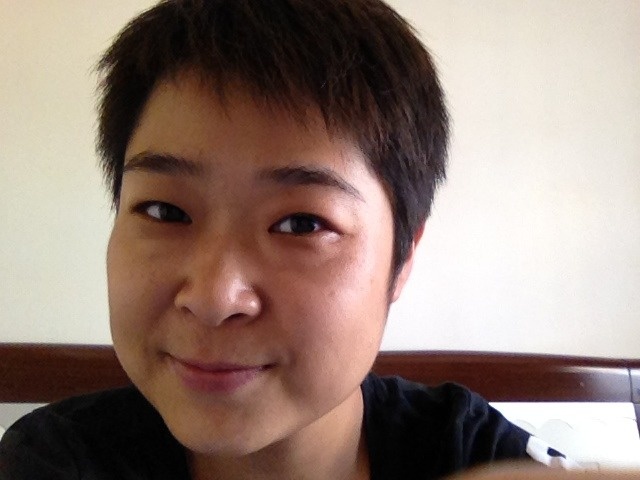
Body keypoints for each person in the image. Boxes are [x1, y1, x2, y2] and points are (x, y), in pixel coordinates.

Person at [0, 1, 571, 478]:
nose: (214, 298)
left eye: (302, 224)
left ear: (403, 260)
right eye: (164, 211)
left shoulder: (475, 457)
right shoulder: (54, 460)